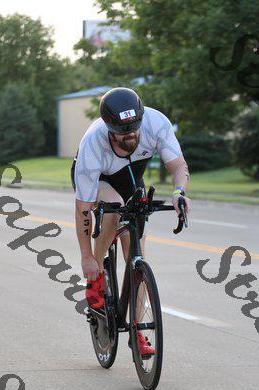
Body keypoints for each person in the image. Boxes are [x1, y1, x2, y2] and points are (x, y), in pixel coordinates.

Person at [71, 87, 191, 356]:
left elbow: (178, 166)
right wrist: (87, 257)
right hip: (100, 181)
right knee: (113, 211)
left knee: (135, 253)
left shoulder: (155, 123)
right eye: (123, 133)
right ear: (109, 128)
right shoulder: (93, 144)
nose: (131, 136)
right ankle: (97, 277)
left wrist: (179, 192)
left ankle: (137, 330)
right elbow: (83, 210)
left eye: (134, 129)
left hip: (131, 178)